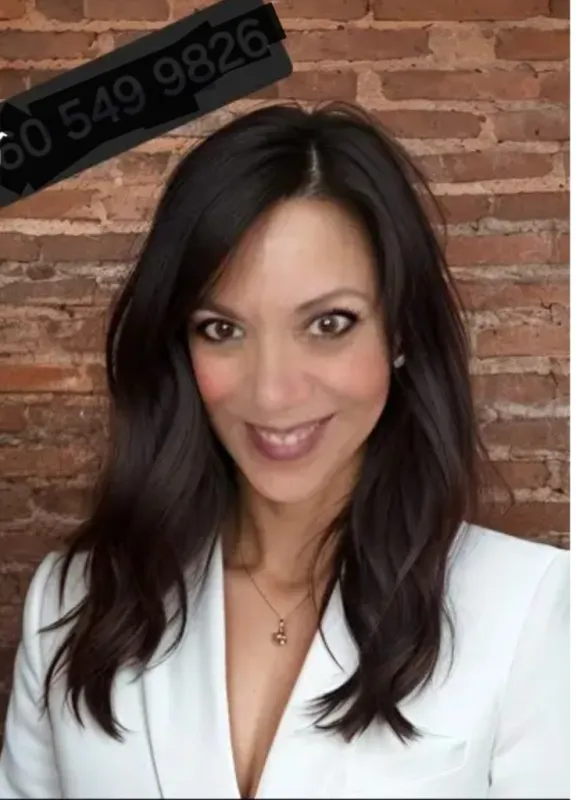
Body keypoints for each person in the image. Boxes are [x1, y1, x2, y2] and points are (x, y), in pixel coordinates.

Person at [0, 100, 569, 799]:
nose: (272, 392)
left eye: (329, 323)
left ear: (399, 332)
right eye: (221, 329)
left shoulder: (530, 607)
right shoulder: (75, 599)